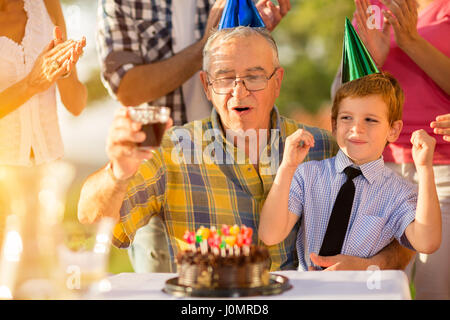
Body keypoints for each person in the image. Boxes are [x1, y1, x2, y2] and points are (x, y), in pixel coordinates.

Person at [79, 26, 414, 272]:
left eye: (254, 77)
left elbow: (402, 234)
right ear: (207, 86)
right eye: (225, 78)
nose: (239, 92)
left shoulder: (323, 147)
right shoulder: (171, 150)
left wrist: (371, 265)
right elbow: (92, 220)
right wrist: (117, 172)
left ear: (277, 82)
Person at [96, 0, 292, 272]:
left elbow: (244, 58)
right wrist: (207, 45)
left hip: (235, 152)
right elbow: (128, 87)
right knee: (165, 281)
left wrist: (251, 34)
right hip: (168, 165)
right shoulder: (123, 3)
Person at [259, 72, 441, 272]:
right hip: (309, 291)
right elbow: (270, 234)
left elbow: (427, 243)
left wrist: (425, 169)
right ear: (334, 125)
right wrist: (287, 166)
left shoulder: (400, 193)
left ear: (393, 130)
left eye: (370, 120)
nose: (356, 128)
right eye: (347, 118)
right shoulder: (308, 175)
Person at [332, 0, 449, 299]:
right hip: (379, 173)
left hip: (441, 172)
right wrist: (371, 64)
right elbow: (340, 98)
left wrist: (411, 41)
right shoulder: (373, 8)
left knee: (434, 289)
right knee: (374, 289)